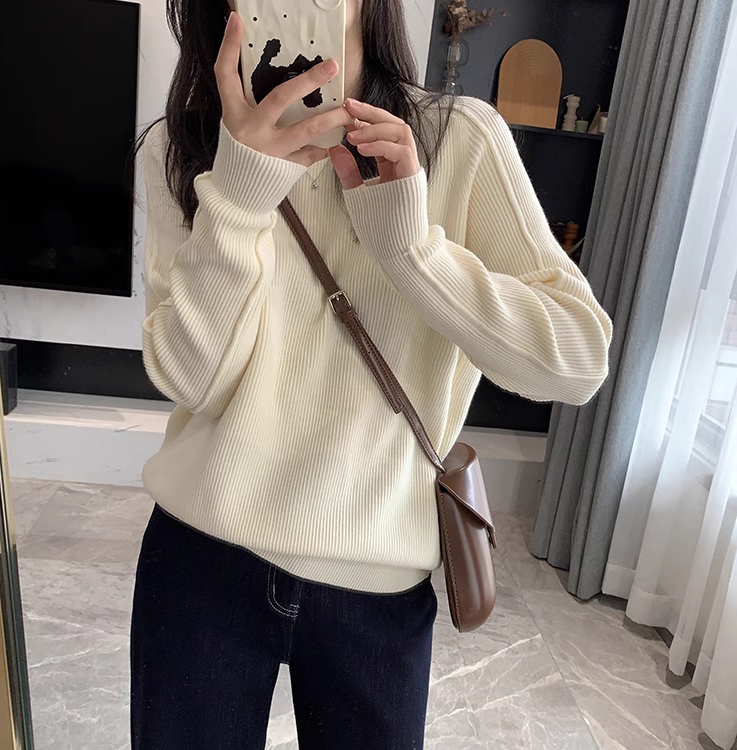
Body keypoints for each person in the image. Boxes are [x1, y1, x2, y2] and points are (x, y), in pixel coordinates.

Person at [131, 0, 613, 747]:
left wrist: (413, 250)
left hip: (377, 587)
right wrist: (239, 197)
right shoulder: (182, 147)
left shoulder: (457, 139)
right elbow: (192, 380)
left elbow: (578, 361)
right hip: (200, 562)